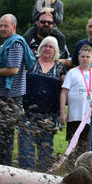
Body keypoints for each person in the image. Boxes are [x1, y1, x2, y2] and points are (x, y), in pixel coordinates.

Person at [0, 14, 36, 166]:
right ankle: (2, 165)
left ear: (14, 27)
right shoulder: (9, 42)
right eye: (0, 25)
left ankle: (4, 168)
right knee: (1, 136)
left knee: (4, 137)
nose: (2, 28)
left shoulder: (15, 44)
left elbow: (13, 70)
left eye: (5, 25)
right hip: (4, 95)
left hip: (9, 98)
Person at [18, 36, 66, 172]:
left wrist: (62, 112)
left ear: (55, 50)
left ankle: (44, 180)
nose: (47, 49)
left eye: (51, 47)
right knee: (26, 151)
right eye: (45, 46)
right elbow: (20, 80)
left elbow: (66, 89)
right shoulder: (31, 63)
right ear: (40, 48)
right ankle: (25, 178)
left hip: (49, 116)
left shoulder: (59, 67)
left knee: (45, 151)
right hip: (28, 114)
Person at [60, 45, 92, 170]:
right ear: (78, 57)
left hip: (89, 116)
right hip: (74, 116)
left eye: (87, 57)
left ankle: (83, 169)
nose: (85, 59)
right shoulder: (72, 73)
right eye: (82, 56)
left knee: (85, 145)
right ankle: (70, 170)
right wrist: (63, 112)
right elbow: (64, 92)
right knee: (73, 145)